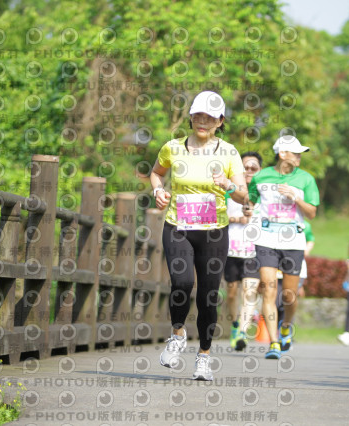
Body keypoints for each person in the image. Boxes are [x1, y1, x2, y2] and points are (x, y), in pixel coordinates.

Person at [150, 91, 248, 380]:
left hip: (214, 232)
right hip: (178, 226)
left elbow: (243, 196)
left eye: (210, 117)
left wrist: (229, 184)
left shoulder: (229, 152)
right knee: (181, 282)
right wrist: (158, 190)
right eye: (198, 115)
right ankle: (178, 334)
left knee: (208, 295)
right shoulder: (173, 148)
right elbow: (156, 173)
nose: (203, 121)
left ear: (220, 121)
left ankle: (204, 356)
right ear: (191, 117)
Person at [247, 135, 319, 359]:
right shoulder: (261, 176)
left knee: (289, 296)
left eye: (300, 153)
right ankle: (274, 343)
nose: (299, 157)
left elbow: (312, 213)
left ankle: (286, 325)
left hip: (293, 241)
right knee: (268, 290)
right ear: (282, 154)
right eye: (295, 153)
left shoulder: (306, 179)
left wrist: (295, 197)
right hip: (266, 239)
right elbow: (250, 202)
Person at [225, 152, 262, 351]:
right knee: (231, 293)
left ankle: (242, 332)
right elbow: (216, 215)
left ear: (259, 171)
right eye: (245, 167)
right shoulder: (229, 190)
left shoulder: (264, 192)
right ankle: (235, 325)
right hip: (230, 249)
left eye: (253, 168)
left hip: (253, 250)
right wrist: (237, 219)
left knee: (249, 291)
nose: (248, 171)